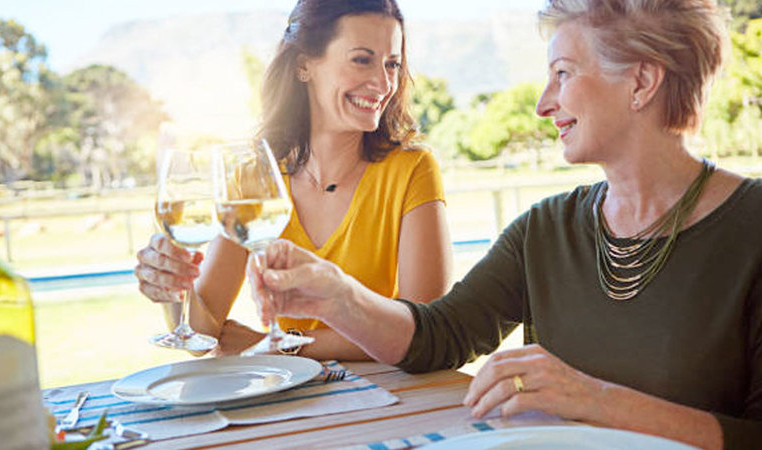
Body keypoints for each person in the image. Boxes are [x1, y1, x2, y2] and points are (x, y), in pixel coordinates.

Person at [246, 0, 762, 448]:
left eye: (562, 73)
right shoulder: (546, 229)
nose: (543, 104)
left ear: (641, 81)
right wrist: (335, 296)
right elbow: (439, 336)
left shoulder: (751, 228)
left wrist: (595, 400)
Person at [134, 0, 453, 360]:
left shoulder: (412, 170)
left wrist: (284, 345)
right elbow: (205, 333)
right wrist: (172, 292)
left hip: (391, 398)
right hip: (292, 400)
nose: (383, 83)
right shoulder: (256, 180)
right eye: (362, 60)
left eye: (392, 64)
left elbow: (425, 331)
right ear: (304, 65)